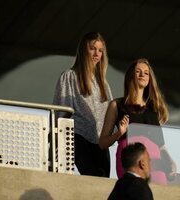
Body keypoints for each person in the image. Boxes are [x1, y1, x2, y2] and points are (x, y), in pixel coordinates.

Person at [99, 58, 176, 184]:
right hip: (130, 161)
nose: (142, 75)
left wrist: (170, 161)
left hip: (155, 163)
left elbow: (161, 147)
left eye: (146, 73)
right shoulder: (116, 105)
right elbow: (102, 143)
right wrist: (119, 133)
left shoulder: (153, 109)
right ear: (130, 75)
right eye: (138, 71)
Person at [53, 32, 113, 177]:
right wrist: (58, 141)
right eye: (93, 48)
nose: (96, 53)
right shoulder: (70, 76)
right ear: (83, 50)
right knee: (90, 178)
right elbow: (62, 112)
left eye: (100, 50)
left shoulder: (104, 84)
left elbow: (111, 115)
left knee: (102, 183)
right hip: (79, 137)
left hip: (100, 141)